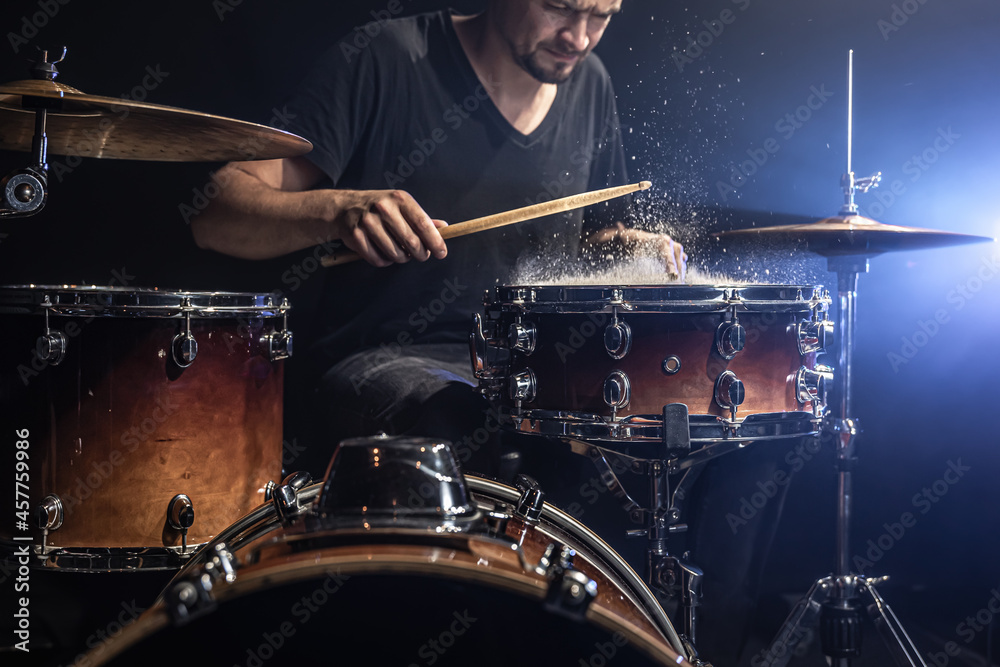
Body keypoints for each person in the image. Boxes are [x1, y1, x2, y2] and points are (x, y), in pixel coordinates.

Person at [191, 0, 686, 475]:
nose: (578, 37)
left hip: (529, 364)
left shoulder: (590, 83)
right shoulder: (389, 56)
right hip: (386, 360)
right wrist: (338, 209)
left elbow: (578, 244)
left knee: (669, 422)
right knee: (457, 415)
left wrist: (627, 250)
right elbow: (216, 212)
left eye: (601, 16)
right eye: (559, 8)